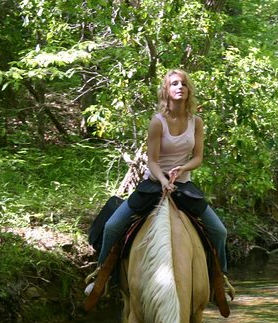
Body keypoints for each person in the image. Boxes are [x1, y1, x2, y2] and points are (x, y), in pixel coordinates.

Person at [84, 69, 235, 309]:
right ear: (167, 90)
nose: (180, 87)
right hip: (154, 184)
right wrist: (163, 180)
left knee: (219, 231)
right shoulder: (158, 122)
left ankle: (220, 279)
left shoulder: (196, 122)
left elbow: (198, 158)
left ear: (188, 90)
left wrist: (181, 168)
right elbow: (152, 160)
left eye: (184, 84)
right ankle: (100, 274)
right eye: (174, 83)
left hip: (183, 185)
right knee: (113, 225)